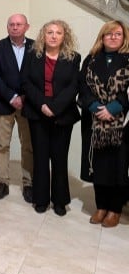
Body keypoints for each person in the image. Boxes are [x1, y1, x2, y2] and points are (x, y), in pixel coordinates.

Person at [21, 20, 80, 216]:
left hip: (63, 115)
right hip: (37, 113)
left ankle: (60, 201)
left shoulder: (73, 58)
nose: (54, 36)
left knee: (59, 158)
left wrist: (54, 107)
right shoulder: (32, 55)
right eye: (50, 32)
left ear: (65, 36)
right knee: (40, 157)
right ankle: (41, 199)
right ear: (43, 35)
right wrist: (42, 105)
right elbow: (26, 82)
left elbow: (73, 87)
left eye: (58, 33)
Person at [79, 20, 129, 228]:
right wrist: (96, 108)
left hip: (122, 124)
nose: (113, 37)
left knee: (118, 166)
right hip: (95, 121)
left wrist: (114, 108)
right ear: (102, 36)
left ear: (124, 37)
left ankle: (115, 209)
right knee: (99, 166)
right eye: (109, 34)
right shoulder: (90, 59)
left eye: (118, 34)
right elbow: (82, 87)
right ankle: (101, 206)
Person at [0, 14, 34, 202]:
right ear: (7, 27)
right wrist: (12, 97)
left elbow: (36, 75)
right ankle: (3, 183)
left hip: (28, 104)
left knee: (29, 146)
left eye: (19, 24)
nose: (15, 27)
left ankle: (29, 184)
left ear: (27, 27)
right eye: (12, 24)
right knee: (2, 146)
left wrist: (24, 96)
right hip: (3, 103)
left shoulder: (36, 47)